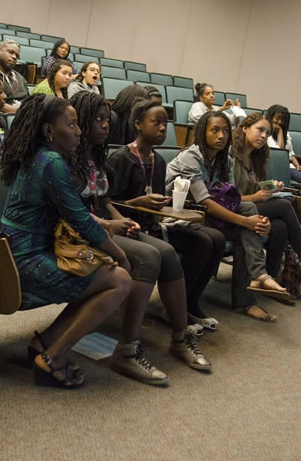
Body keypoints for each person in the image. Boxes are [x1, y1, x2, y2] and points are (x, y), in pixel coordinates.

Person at [70, 90, 210, 382]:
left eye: (107, 120)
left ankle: (180, 338)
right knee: (148, 255)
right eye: (98, 120)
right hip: (80, 231)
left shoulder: (95, 157)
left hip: (105, 224)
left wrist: (124, 220)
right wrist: (111, 224)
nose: (106, 126)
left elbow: (106, 200)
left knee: (168, 253)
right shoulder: (67, 160)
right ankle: (128, 352)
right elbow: (74, 212)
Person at [0, 93, 132, 388]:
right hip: (26, 260)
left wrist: (107, 233)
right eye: (71, 125)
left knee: (101, 277)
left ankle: (44, 342)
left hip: (11, 255)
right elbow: (81, 221)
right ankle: (53, 358)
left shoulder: (34, 155)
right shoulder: (51, 162)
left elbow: (77, 215)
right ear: (48, 130)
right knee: (119, 279)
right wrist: (121, 255)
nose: (79, 131)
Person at [108, 98, 226, 333]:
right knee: (174, 248)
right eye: (157, 122)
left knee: (212, 239)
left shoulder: (159, 160)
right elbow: (105, 205)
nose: (163, 128)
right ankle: (175, 312)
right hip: (126, 228)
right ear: (139, 124)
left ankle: (187, 303)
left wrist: (172, 209)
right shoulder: (121, 158)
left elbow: (157, 208)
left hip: (153, 224)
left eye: (165, 123)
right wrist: (138, 203)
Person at [165, 111, 289, 323]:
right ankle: (249, 293)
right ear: (202, 132)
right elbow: (204, 202)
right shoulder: (191, 157)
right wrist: (247, 222)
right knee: (246, 224)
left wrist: (258, 223)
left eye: (225, 131)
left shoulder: (225, 161)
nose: (222, 136)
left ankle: (255, 282)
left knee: (250, 210)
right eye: (215, 130)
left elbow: (233, 199)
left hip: (208, 213)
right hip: (182, 213)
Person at [231, 113, 301, 290]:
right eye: (260, 130)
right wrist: (256, 197)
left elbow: (253, 188)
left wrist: (270, 188)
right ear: (244, 128)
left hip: (250, 205)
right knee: (284, 205)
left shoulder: (256, 158)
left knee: (280, 227)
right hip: (235, 210)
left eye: (267, 133)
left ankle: (269, 279)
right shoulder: (231, 156)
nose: (264, 136)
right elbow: (226, 198)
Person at [0, 40, 28, 111]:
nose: (14, 57)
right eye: (11, 52)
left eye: (17, 55)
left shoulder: (20, 78)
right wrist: (21, 111)